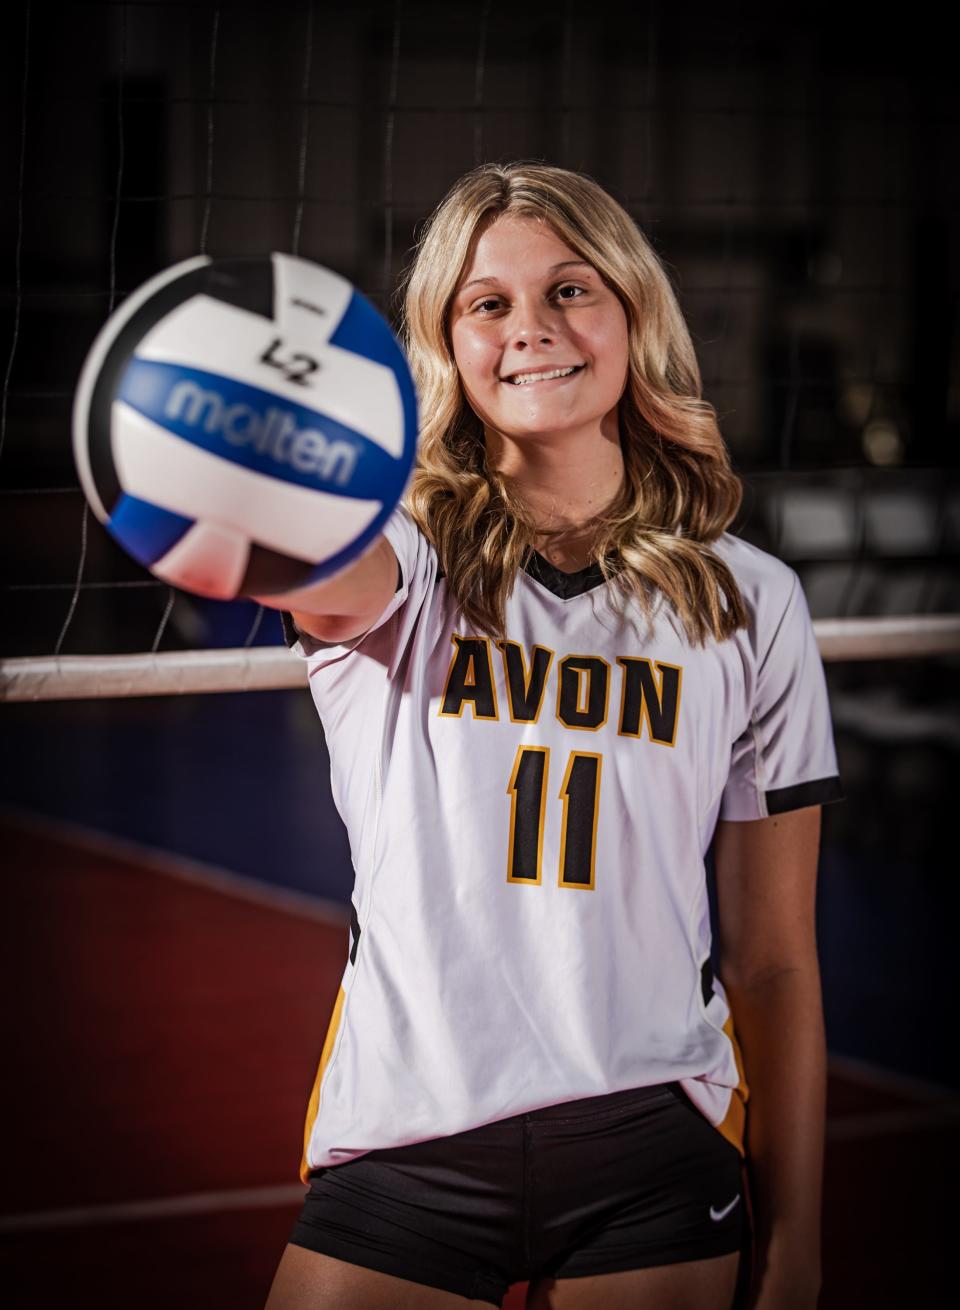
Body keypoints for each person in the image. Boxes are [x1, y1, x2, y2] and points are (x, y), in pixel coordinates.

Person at [260, 161, 844, 1310]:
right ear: (448, 341)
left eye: (570, 288)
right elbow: (319, 566)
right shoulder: (409, 559)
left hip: (653, 1147)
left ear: (631, 309)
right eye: (488, 302)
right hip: (410, 1141)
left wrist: (798, 1246)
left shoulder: (750, 599)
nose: (532, 327)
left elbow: (774, 957)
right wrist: (250, 472)